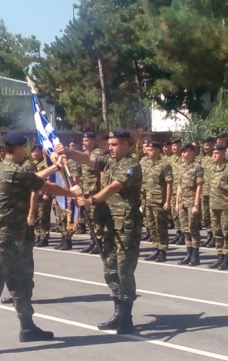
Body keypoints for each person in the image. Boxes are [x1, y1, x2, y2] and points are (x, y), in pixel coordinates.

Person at [0, 132, 78, 357]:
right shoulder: (13, 171)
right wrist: (71, 193)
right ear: (18, 148)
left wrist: (56, 167)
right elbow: (41, 185)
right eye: (25, 148)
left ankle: (27, 327)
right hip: (4, 240)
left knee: (22, 283)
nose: (27, 152)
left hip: (15, 238)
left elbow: (33, 177)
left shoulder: (0, 167)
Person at [57, 129, 142, 335]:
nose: (110, 148)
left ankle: (127, 318)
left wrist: (91, 199)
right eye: (109, 144)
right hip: (109, 223)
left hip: (126, 225)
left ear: (126, 144)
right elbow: (88, 159)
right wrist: (68, 152)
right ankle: (117, 313)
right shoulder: (110, 161)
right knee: (110, 268)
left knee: (124, 271)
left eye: (114, 145)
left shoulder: (132, 165)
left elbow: (115, 186)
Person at [207, 144, 228, 270]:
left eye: (217, 153)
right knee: (217, 232)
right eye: (213, 153)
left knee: (227, 233)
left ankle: (227, 258)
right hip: (214, 206)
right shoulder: (212, 168)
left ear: (223, 154)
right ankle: (220, 256)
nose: (214, 155)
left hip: (226, 206)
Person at [142, 140, 173, 262]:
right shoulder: (147, 164)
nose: (148, 153)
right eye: (147, 150)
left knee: (161, 227)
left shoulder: (164, 165)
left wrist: (168, 201)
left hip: (159, 201)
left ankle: (162, 250)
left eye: (151, 150)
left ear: (157, 150)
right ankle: (155, 248)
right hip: (148, 201)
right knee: (151, 226)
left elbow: (169, 184)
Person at [176, 143, 204, 266]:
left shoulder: (197, 167)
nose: (183, 154)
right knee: (185, 229)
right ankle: (188, 254)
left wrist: (196, 204)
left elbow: (199, 186)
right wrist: (177, 202)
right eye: (182, 152)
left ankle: (195, 256)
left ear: (193, 152)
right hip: (182, 202)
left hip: (192, 201)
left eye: (186, 151)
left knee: (193, 229)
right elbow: (179, 186)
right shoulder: (181, 167)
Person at [79, 132, 106, 253]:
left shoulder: (99, 153)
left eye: (87, 141)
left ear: (94, 141)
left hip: (96, 192)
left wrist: (102, 191)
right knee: (89, 218)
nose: (84, 143)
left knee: (97, 218)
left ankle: (99, 242)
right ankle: (92, 241)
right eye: (83, 141)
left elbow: (102, 173)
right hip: (86, 192)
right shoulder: (85, 154)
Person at [199, 137, 216, 246]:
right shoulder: (203, 159)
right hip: (204, 191)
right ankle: (209, 233)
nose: (205, 147)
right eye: (204, 145)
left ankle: (215, 236)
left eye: (208, 145)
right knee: (205, 215)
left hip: (214, 192)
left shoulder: (216, 158)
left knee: (213, 215)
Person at [169, 138, 184, 244]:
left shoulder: (184, 158)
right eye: (173, 146)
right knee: (174, 213)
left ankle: (184, 233)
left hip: (183, 192)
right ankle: (178, 232)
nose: (174, 147)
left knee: (182, 214)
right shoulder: (170, 160)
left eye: (176, 145)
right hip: (173, 191)